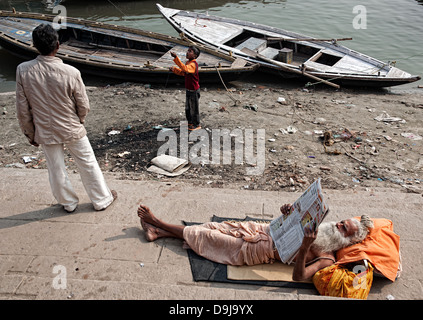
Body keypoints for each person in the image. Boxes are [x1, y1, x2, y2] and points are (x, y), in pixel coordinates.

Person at [15, 23, 117, 213]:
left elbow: (22, 109)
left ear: (35, 45)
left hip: (44, 129)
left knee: (56, 168)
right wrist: (80, 120)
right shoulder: (71, 72)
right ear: (58, 45)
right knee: (87, 163)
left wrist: (30, 133)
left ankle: (68, 203)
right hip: (72, 126)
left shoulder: (23, 70)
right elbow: (83, 105)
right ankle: (101, 199)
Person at [137, 203, 374, 281]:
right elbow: (288, 225)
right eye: (342, 222)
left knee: (206, 237)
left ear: (346, 240)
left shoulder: (326, 258)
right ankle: (159, 233)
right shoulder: (319, 226)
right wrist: (288, 212)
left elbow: (299, 277)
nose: (338, 225)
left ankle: (157, 222)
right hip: (260, 229)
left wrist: (304, 248)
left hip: (257, 250)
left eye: (344, 229)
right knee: (211, 227)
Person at [169, 46, 201, 131]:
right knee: (188, 108)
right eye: (188, 50)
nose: (187, 52)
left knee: (194, 108)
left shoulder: (193, 65)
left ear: (195, 56)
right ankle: (190, 122)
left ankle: (196, 124)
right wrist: (174, 70)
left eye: (190, 51)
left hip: (194, 90)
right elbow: (183, 73)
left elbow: (185, 69)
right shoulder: (188, 63)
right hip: (188, 89)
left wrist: (176, 58)